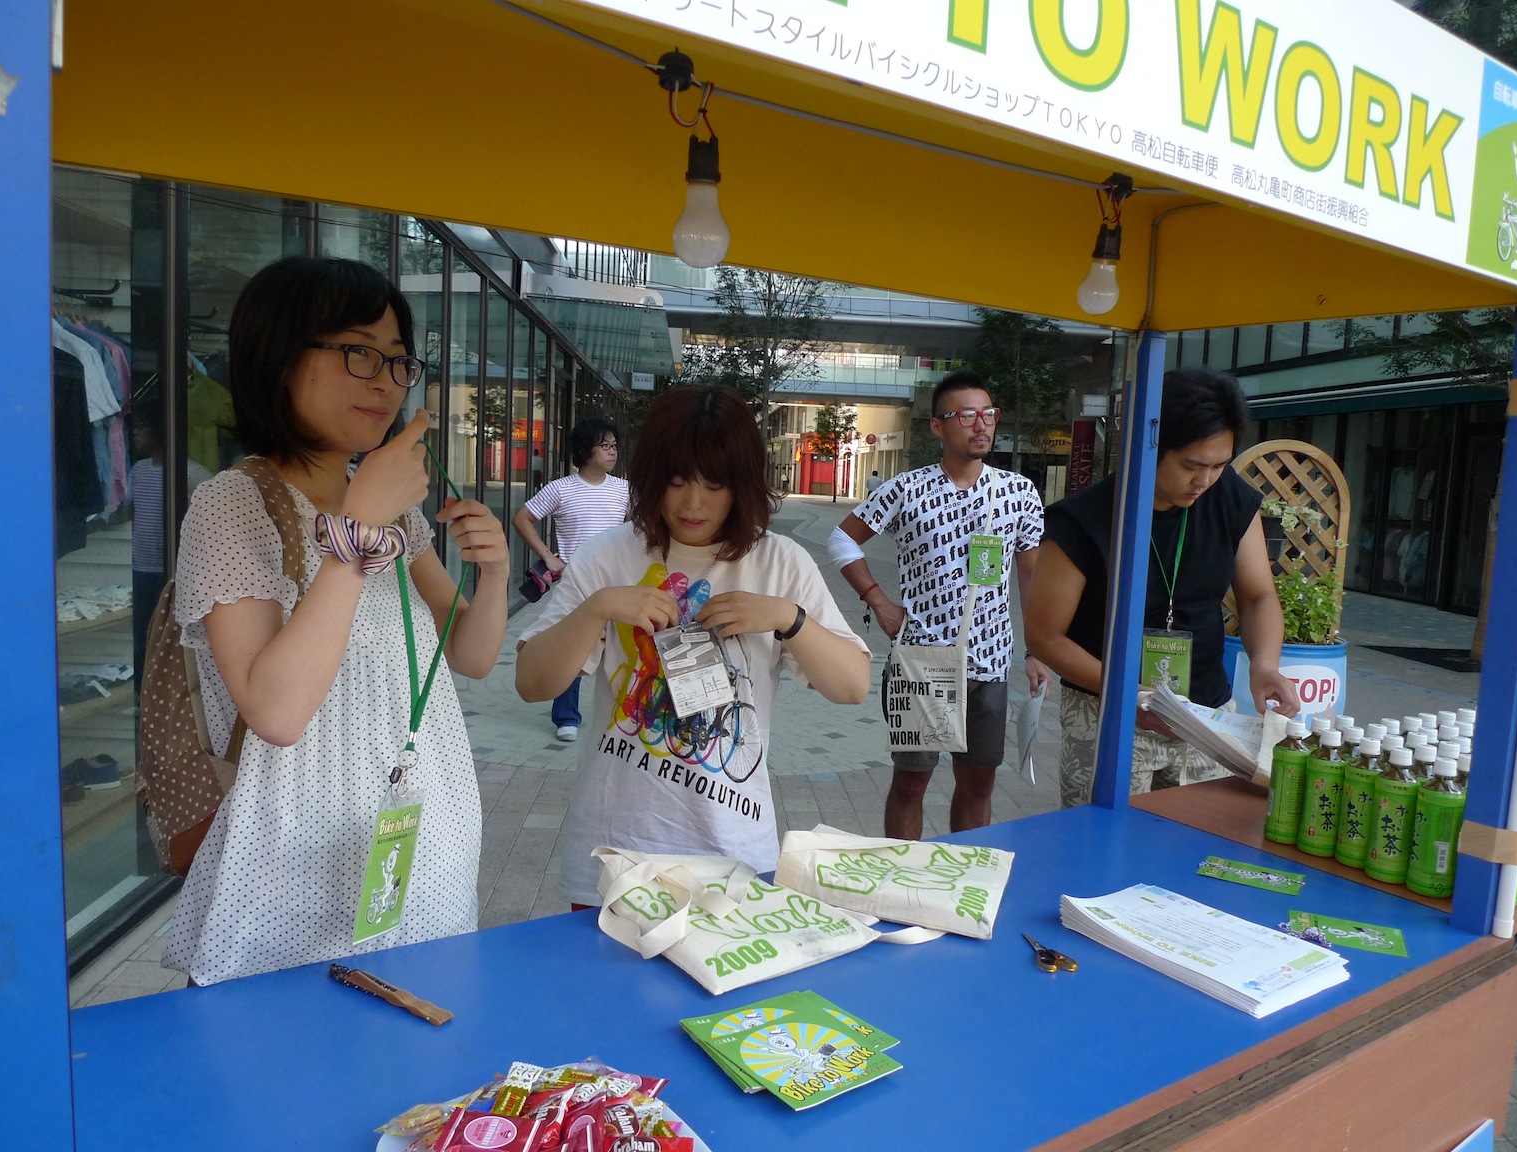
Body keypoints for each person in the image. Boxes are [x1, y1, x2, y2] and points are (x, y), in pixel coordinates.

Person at [161, 255, 510, 985]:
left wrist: (496, 572)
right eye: (358, 352)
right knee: (295, 1042)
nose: (385, 381)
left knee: (418, 1031)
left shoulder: (392, 508)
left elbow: (470, 655)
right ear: (280, 357)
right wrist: (356, 529)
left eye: (398, 360)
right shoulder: (234, 504)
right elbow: (277, 712)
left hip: (422, 819)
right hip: (295, 848)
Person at [515, 385, 870, 907]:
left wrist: (787, 618)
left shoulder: (782, 562)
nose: (693, 503)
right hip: (614, 853)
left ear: (742, 483)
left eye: (714, 484)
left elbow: (853, 686)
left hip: (734, 853)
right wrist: (598, 608)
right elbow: (532, 682)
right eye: (677, 480)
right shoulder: (606, 556)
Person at [1024, 366, 1302, 808]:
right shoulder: (1081, 520)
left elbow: (1258, 596)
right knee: (1107, 840)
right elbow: (1045, 635)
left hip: (1207, 718)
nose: (1204, 481)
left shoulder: (1227, 497)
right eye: (1191, 465)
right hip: (1109, 712)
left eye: (1219, 465)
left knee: (1201, 838)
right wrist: (1125, 691)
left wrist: (1264, 665)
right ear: (1148, 445)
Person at [829, 370, 1047, 839]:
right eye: (966, 416)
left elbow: (1030, 575)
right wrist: (879, 602)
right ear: (937, 426)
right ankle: (901, 870)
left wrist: (1036, 650)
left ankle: (964, 869)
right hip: (921, 661)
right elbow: (841, 539)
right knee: (912, 782)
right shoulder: (906, 489)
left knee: (979, 784)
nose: (981, 425)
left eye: (988, 414)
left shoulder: (1018, 493)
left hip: (990, 662)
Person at [511, 417, 630, 742]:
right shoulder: (561, 489)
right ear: (585, 450)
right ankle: (566, 717)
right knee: (571, 648)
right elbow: (522, 519)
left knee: (622, 650)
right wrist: (548, 557)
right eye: (604, 446)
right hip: (575, 584)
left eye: (614, 446)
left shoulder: (624, 489)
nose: (612, 452)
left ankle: (622, 714)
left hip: (618, 583)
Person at [128, 399, 212, 697]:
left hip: (175, 571)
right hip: (142, 568)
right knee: (143, 635)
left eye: (141, 427)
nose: (135, 433)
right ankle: (144, 694)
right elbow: (130, 511)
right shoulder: (138, 471)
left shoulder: (191, 473)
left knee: (172, 637)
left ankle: (169, 694)